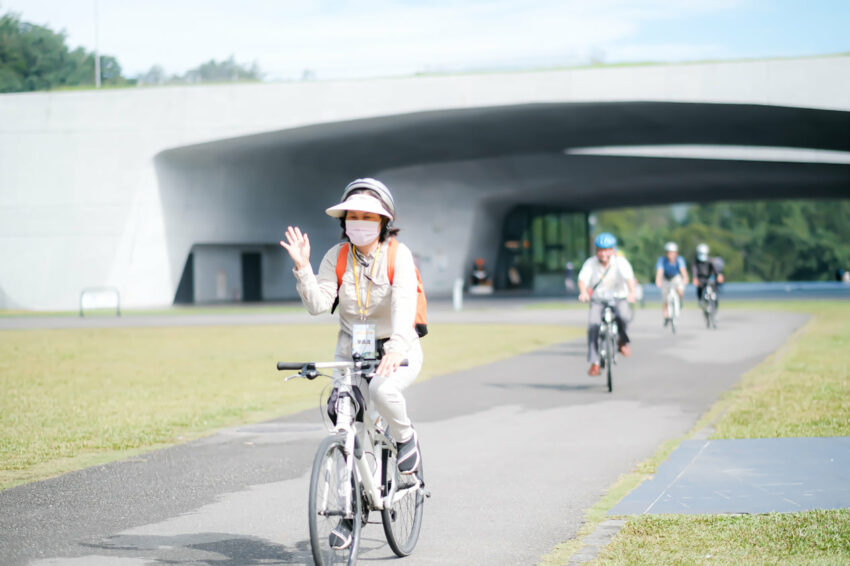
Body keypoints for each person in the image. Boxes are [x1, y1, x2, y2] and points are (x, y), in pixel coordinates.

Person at [280, 178, 422, 550]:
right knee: (344, 418)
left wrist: (394, 349)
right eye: (352, 216)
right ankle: (350, 510)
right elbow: (317, 305)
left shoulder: (397, 255)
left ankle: (406, 440)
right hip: (351, 352)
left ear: (383, 222)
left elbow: (405, 309)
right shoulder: (336, 257)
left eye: (367, 216)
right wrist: (303, 268)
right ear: (344, 222)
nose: (358, 222)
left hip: (396, 346)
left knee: (381, 389)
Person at [578, 232, 637, 376]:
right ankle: (595, 362)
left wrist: (631, 292)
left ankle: (622, 342)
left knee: (624, 316)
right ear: (596, 251)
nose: (603, 253)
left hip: (619, 297)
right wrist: (583, 292)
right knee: (593, 325)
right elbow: (582, 280)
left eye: (607, 250)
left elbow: (629, 278)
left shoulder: (620, 262)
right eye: (600, 250)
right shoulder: (590, 263)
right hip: (598, 299)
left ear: (613, 250)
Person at [655, 242, 689, 325]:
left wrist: (685, 278)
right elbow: (660, 271)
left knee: (680, 290)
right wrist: (658, 280)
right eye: (669, 252)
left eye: (672, 252)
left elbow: (683, 271)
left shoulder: (679, 260)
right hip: (666, 278)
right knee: (665, 298)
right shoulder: (662, 260)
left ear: (676, 253)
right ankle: (666, 316)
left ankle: (680, 301)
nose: (670, 254)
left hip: (675, 278)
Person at [692, 243, 724, 308]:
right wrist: (695, 278)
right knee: (699, 287)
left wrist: (718, 275)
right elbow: (694, 271)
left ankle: (714, 300)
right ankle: (700, 300)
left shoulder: (710, 261)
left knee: (713, 286)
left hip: (710, 277)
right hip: (701, 278)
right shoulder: (696, 262)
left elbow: (715, 270)